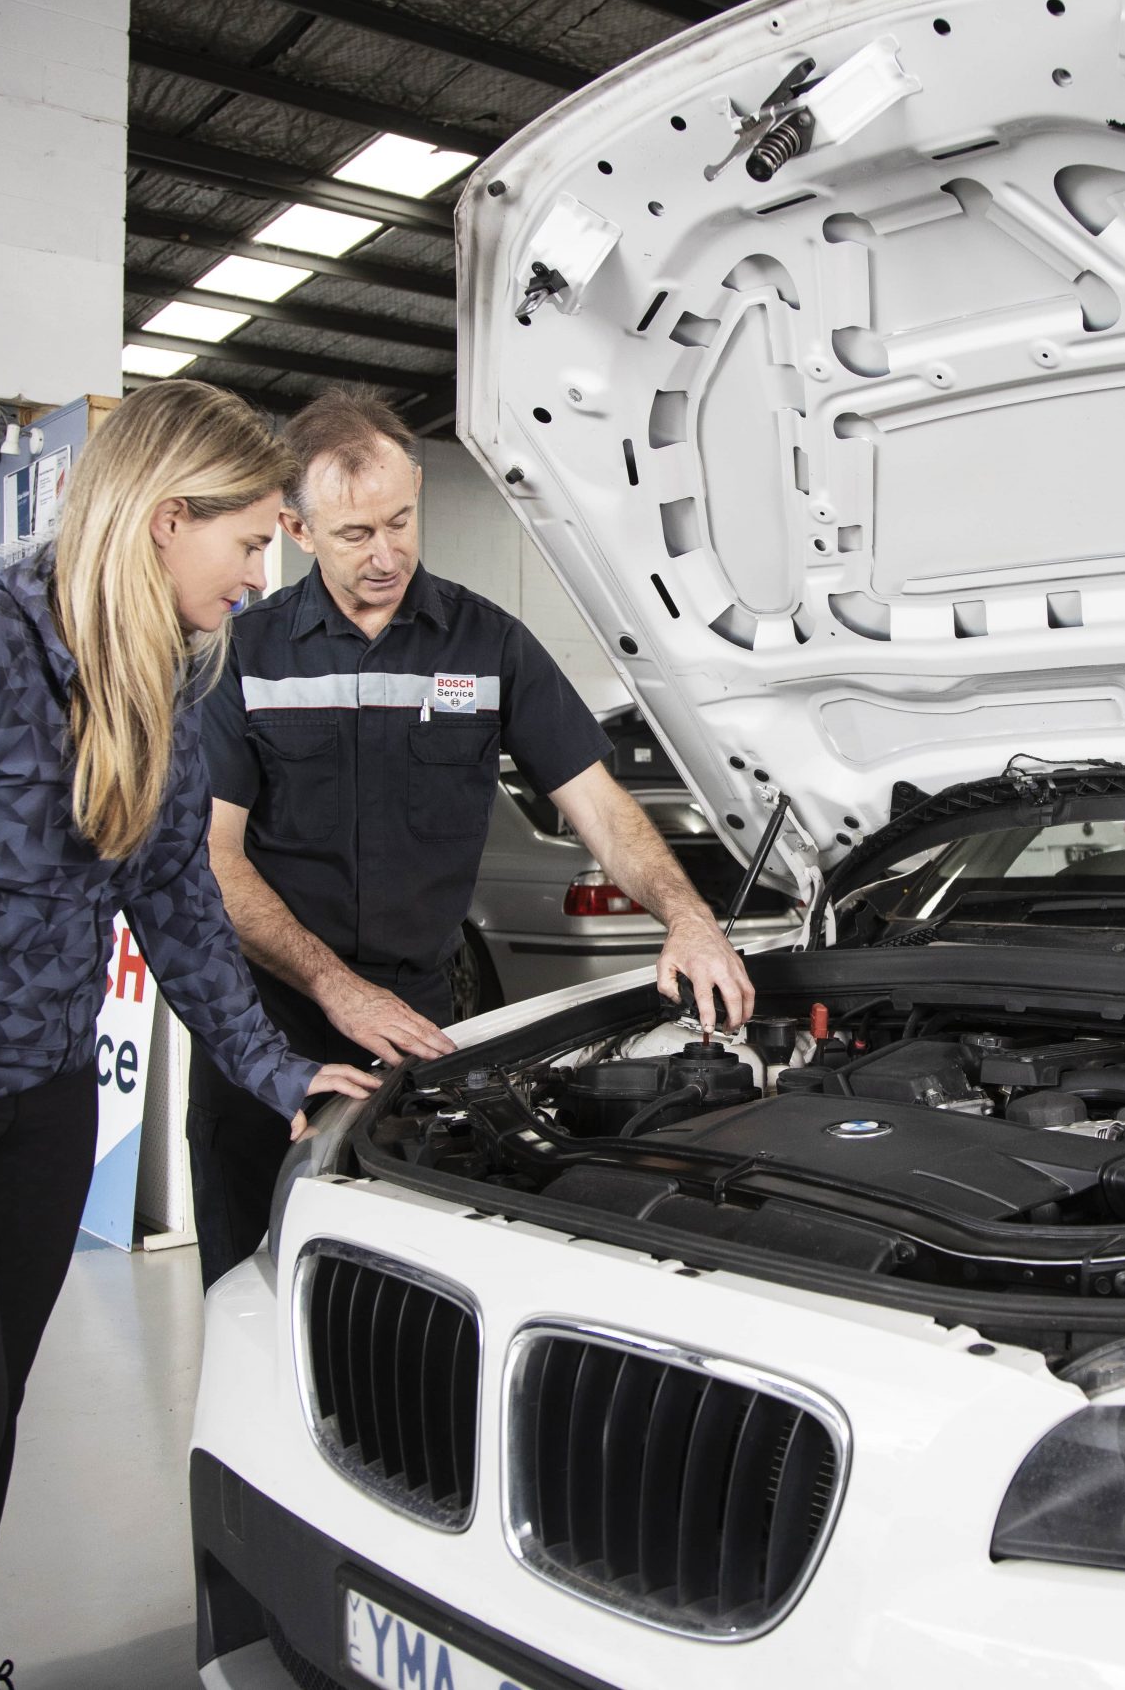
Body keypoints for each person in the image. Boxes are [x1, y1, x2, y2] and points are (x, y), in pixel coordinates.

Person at [0, 379, 377, 1690]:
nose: (259, 575)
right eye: (250, 540)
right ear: (166, 519)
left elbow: (179, 909)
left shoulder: (157, 680)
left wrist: (274, 1068)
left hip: (34, 1104)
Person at [187, 387, 756, 1286]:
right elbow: (212, 860)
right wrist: (336, 991)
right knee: (253, 1280)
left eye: (401, 520)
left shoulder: (488, 645)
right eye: (354, 535)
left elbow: (599, 804)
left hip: (421, 1020)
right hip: (267, 1025)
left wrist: (687, 914)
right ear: (295, 529)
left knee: (411, 1286)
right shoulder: (242, 655)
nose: (387, 554)